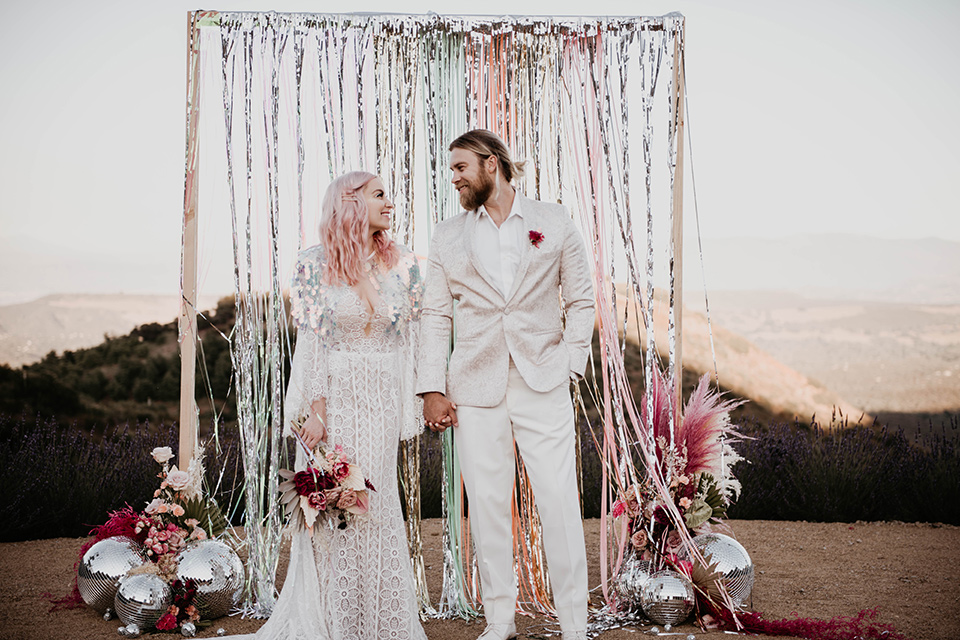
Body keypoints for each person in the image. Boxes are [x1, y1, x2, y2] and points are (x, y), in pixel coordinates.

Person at [417, 130, 595, 640]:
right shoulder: (447, 235)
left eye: (460, 168)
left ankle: (575, 624)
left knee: (559, 499)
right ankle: (500, 620)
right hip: (474, 386)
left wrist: (571, 365)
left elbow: (581, 300)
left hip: (544, 380)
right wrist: (432, 386)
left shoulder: (554, 221)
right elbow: (434, 315)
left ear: (491, 164)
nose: (453, 178)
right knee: (489, 504)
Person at [243, 171, 427, 640]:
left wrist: (420, 393)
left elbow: (412, 335)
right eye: (379, 194)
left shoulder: (403, 263)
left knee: (377, 502)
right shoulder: (313, 263)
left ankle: (384, 623)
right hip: (336, 396)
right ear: (350, 203)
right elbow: (313, 342)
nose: (390, 202)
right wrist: (316, 411)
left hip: (382, 397)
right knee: (337, 503)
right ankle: (336, 620)